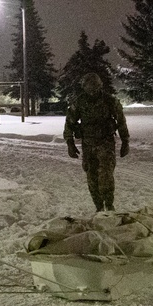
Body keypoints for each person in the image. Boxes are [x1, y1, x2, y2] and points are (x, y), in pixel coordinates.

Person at [63, 73, 130, 212]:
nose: (92, 89)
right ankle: (99, 207)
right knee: (91, 176)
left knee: (106, 175)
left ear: (100, 86)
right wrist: (70, 143)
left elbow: (121, 121)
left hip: (106, 143)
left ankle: (109, 205)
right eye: (89, 86)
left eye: (95, 86)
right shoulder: (79, 102)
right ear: (84, 87)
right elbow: (70, 122)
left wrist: (125, 141)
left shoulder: (109, 101)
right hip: (88, 145)